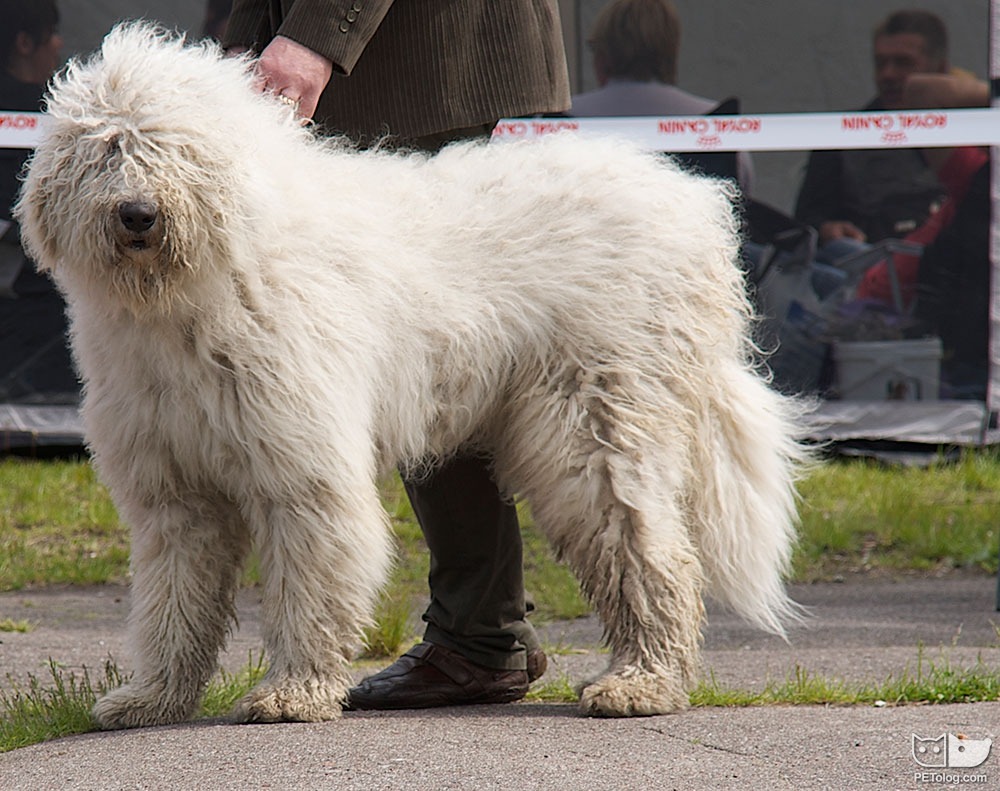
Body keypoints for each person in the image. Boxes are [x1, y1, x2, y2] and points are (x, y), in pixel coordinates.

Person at [222, 0, 570, 709]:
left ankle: (479, 636)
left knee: (438, 354)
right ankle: (482, 631)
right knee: (421, 348)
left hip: (416, 59)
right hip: (341, 55)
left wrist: (314, 36)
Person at [794, 9, 951, 263]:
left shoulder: (973, 135)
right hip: (865, 280)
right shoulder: (842, 137)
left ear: (940, 69)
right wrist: (828, 230)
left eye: (903, 63)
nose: (888, 75)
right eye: (881, 63)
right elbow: (804, 225)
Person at [569, 0, 752, 193]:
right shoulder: (718, 129)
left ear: (603, 54)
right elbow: (741, 201)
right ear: (671, 50)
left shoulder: (558, 125)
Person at [0, 1, 76, 404]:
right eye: (52, 34)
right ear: (25, 43)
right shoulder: (63, 114)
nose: (61, 44)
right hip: (42, 314)